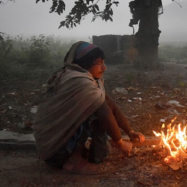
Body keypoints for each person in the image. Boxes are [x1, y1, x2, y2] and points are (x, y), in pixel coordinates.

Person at [33, 41, 145, 174]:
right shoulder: (80, 82)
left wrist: (130, 131)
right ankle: (73, 162)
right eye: (99, 63)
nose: (104, 68)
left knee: (98, 109)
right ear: (85, 64)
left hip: (55, 147)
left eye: (103, 62)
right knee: (96, 114)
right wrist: (120, 143)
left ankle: (81, 154)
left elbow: (109, 104)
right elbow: (104, 113)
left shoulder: (83, 77)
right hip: (55, 151)